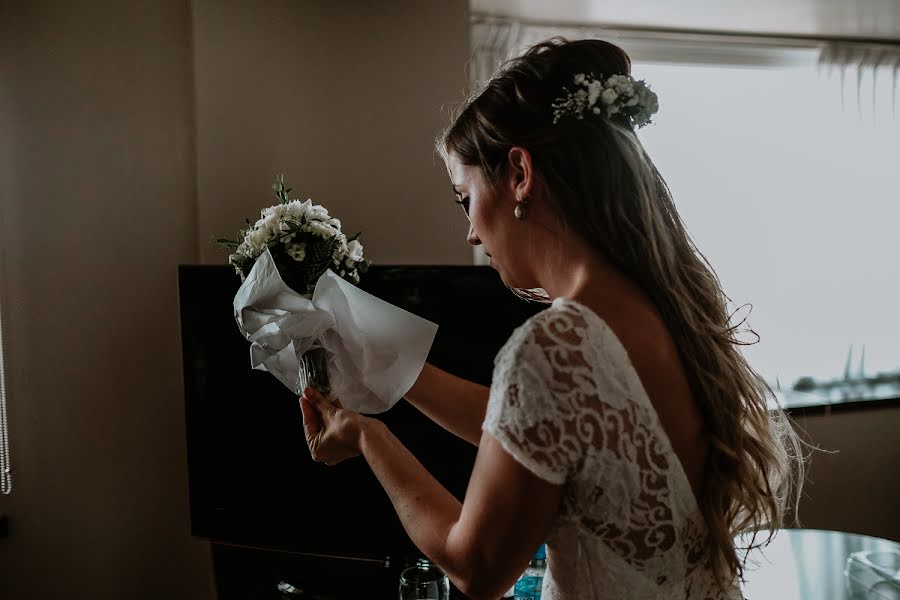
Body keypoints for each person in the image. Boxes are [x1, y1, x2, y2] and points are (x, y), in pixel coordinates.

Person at [299, 38, 803, 600]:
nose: (470, 232)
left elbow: (479, 568)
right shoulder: (667, 309)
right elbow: (547, 428)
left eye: (464, 197)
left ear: (519, 173)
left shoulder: (557, 345)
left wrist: (370, 439)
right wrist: (394, 371)